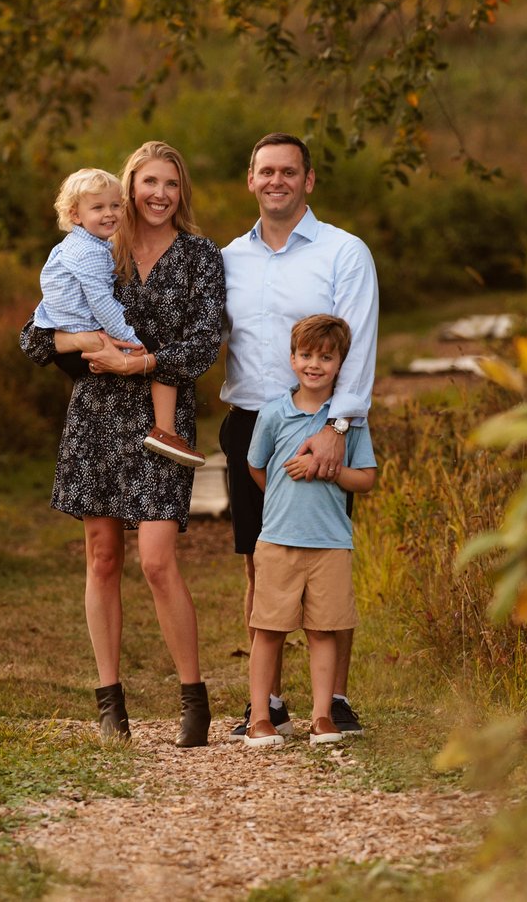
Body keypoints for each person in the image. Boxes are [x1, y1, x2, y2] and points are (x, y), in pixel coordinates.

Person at [20, 140, 228, 746]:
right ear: (129, 187)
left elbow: (203, 345)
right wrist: (90, 348)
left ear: (181, 191)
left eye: (171, 183)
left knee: (158, 560)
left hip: (162, 422)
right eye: (148, 183)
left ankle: (193, 698)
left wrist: (139, 364)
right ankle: (110, 700)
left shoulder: (200, 256)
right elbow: (35, 337)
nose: (158, 194)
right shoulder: (93, 248)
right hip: (96, 415)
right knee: (102, 557)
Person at [219, 131, 378, 736]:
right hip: (251, 425)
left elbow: (357, 343)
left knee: (327, 555)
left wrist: (339, 424)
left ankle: (331, 700)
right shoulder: (230, 257)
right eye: (266, 171)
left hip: (323, 423)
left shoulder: (343, 252)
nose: (276, 181)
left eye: (289, 171)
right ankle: (270, 704)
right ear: (251, 180)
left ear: (308, 181)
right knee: (262, 561)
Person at [242, 314, 378, 747]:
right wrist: (282, 497)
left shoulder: (348, 421)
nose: (314, 364)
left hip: (330, 543)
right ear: (292, 358)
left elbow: (367, 479)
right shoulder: (273, 413)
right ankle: (260, 718)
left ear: (340, 363)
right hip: (279, 539)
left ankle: (322, 716)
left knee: (323, 630)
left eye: (326, 356)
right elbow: (256, 466)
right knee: (269, 630)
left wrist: (328, 472)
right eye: (305, 355)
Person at [32, 168, 205, 473]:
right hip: (80, 339)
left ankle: (162, 430)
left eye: (115, 206)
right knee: (154, 348)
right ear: (75, 214)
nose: (110, 214)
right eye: (98, 208)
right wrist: (129, 339)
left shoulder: (79, 245)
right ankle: (165, 430)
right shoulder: (91, 252)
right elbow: (101, 302)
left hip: (67, 332)